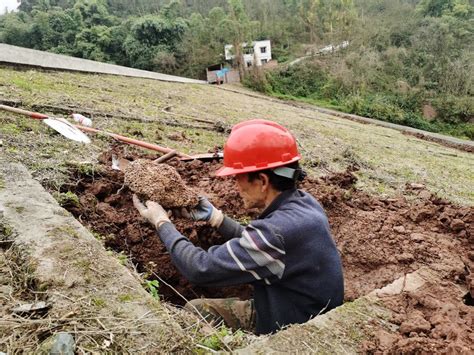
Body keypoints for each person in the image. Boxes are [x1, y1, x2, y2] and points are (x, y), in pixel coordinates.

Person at [133, 119, 344, 335]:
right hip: (300, 307)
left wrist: (162, 223)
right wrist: (216, 218)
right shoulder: (304, 203)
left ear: (262, 181)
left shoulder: (275, 233)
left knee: (194, 313)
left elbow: (200, 268)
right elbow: (263, 247)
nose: (236, 186)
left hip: (293, 329)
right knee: (200, 309)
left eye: (238, 178)